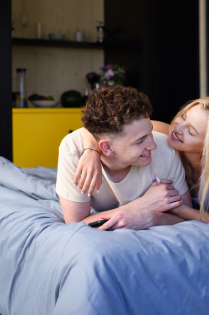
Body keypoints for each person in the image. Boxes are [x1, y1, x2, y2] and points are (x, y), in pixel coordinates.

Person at [74, 95, 209, 223]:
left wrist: (182, 210)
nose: (177, 128)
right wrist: (91, 151)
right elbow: (97, 126)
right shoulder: (161, 132)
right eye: (183, 116)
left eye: (190, 131)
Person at [56, 86, 192, 230]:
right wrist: (141, 205)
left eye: (150, 132)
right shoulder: (74, 151)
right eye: (140, 141)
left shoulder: (165, 148)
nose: (153, 145)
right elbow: (75, 225)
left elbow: (186, 216)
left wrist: (152, 218)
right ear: (107, 148)